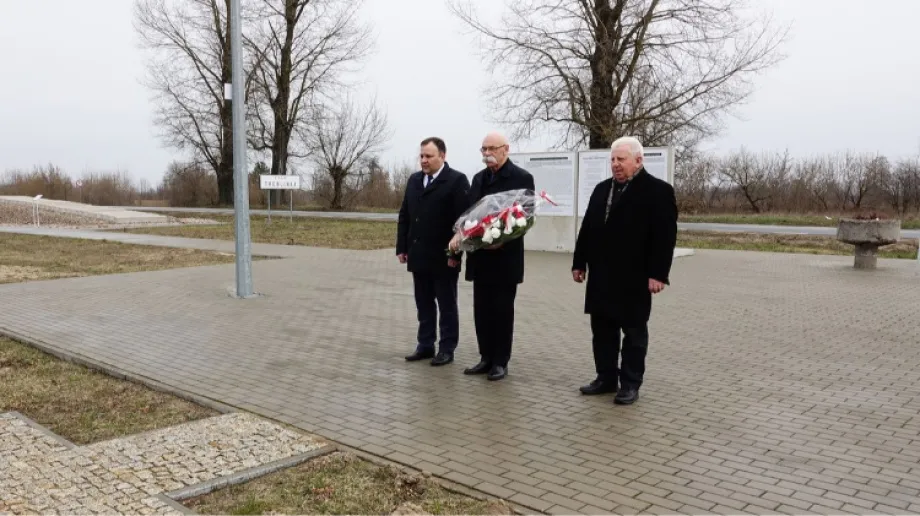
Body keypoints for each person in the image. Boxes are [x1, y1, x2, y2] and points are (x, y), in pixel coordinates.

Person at [571, 136, 677, 405]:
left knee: (633, 333)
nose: (615, 165)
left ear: (638, 161)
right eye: (613, 160)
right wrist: (579, 262)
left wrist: (658, 273)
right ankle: (606, 378)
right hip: (602, 275)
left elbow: (665, 237)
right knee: (603, 330)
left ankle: (630, 383)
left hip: (635, 277)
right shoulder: (601, 189)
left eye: (621, 159)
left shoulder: (658, 192)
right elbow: (587, 229)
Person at [450, 132, 535, 381]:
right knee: (482, 311)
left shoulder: (521, 177)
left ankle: (500, 361)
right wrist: (464, 232)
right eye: (483, 149)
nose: (487, 153)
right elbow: (471, 213)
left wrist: (501, 239)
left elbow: (525, 216)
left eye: (491, 148)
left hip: (505, 258)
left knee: (501, 311)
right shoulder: (479, 179)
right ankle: (485, 357)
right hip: (481, 256)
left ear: (505, 149)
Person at [397, 137, 471, 366]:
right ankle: (425, 344)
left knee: (447, 304)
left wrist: (455, 255)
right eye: (421, 156)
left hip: (443, 257)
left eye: (429, 156)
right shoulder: (415, 180)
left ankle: (447, 348)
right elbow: (405, 216)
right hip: (419, 254)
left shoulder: (456, 181)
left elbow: (463, 223)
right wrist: (402, 247)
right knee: (424, 303)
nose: (424, 160)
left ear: (443, 156)